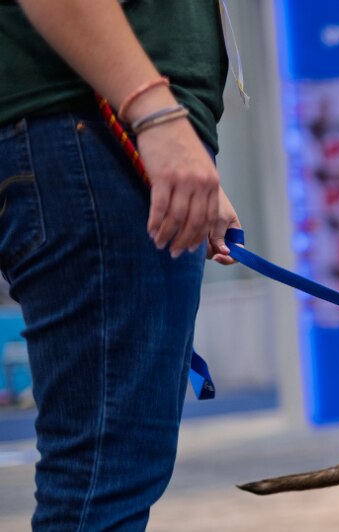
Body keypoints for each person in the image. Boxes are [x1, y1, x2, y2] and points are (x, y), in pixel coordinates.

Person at [0, 1, 241, 529]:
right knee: (102, 478)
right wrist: (158, 115)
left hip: (84, 133)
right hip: (91, 131)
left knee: (101, 470)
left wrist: (189, 144)